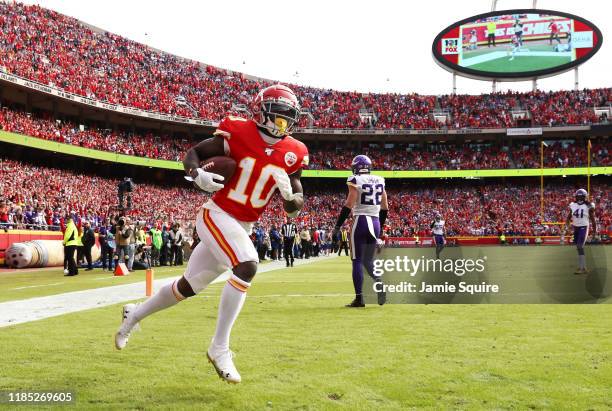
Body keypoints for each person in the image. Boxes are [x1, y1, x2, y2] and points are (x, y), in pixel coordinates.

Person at [115, 84, 309, 384]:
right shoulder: (238, 131)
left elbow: (296, 196)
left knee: (188, 286)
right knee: (247, 264)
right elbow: (194, 153)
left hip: (244, 224)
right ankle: (219, 348)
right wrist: (196, 175)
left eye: (288, 118)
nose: (284, 124)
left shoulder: (295, 152)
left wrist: (292, 201)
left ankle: (134, 316)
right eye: (280, 116)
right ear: (261, 111)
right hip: (216, 214)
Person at [333, 155, 388, 308]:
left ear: (356, 167)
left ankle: (359, 298)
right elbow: (385, 206)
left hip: (361, 220)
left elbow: (349, 203)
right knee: (368, 261)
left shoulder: (355, 179)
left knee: (357, 260)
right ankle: (379, 283)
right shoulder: (380, 180)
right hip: (376, 221)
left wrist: (337, 226)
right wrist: (380, 228)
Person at [565, 189, 597, 275]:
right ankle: (583, 267)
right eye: (578, 196)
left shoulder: (589, 206)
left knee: (579, 246)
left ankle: (582, 268)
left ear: (584, 197)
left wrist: (594, 232)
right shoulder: (573, 205)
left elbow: (593, 220)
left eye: (581, 196)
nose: (579, 198)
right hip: (576, 228)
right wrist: (567, 227)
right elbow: (568, 218)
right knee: (579, 247)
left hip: (584, 227)